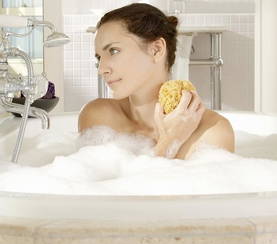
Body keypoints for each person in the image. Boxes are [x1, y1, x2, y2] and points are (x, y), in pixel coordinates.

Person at [78, 3, 234, 159]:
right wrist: (171, 140)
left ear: (157, 50)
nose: (101, 69)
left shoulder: (212, 131)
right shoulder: (99, 118)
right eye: (99, 57)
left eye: (113, 51)